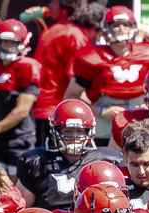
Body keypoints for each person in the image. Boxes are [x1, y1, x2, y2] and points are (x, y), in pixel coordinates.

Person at [64, 6, 149, 145]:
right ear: (106, 28)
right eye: (116, 25)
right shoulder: (92, 57)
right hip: (106, 121)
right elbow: (71, 96)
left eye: (126, 25)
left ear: (134, 27)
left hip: (143, 118)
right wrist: (101, 111)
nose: (122, 28)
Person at [16, 99, 124, 211]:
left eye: (79, 131)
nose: (74, 137)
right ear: (56, 132)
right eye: (67, 131)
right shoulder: (36, 162)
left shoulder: (108, 160)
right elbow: (21, 209)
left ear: (89, 132)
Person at [0, 19, 42, 181]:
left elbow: (22, 110)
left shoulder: (27, 66)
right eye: (4, 42)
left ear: (23, 44)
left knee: (15, 185)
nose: (8, 47)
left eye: (12, 43)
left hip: (19, 138)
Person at [33, 2, 106, 146]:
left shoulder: (56, 29)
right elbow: (75, 83)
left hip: (41, 108)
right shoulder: (77, 38)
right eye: (101, 34)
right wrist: (102, 110)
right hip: (58, 112)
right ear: (93, 29)